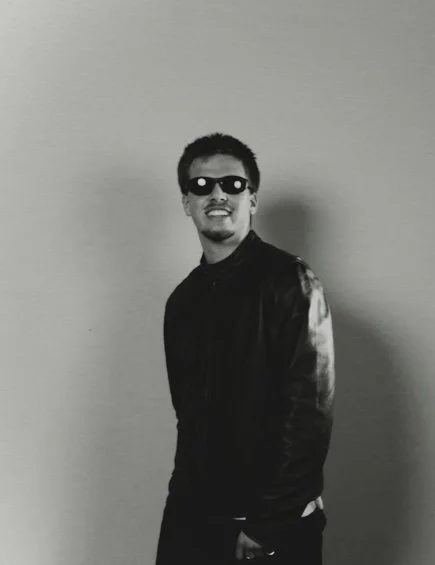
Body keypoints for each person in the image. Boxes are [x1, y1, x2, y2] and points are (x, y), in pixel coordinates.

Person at [155, 133, 336, 565]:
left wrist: (267, 524)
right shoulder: (182, 301)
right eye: (202, 185)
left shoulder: (291, 281)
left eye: (233, 184)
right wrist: (180, 513)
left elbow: (308, 414)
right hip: (194, 520)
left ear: (251, 199)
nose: (217, 194)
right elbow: (189, 418)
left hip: (269, 526)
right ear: (186, 202)